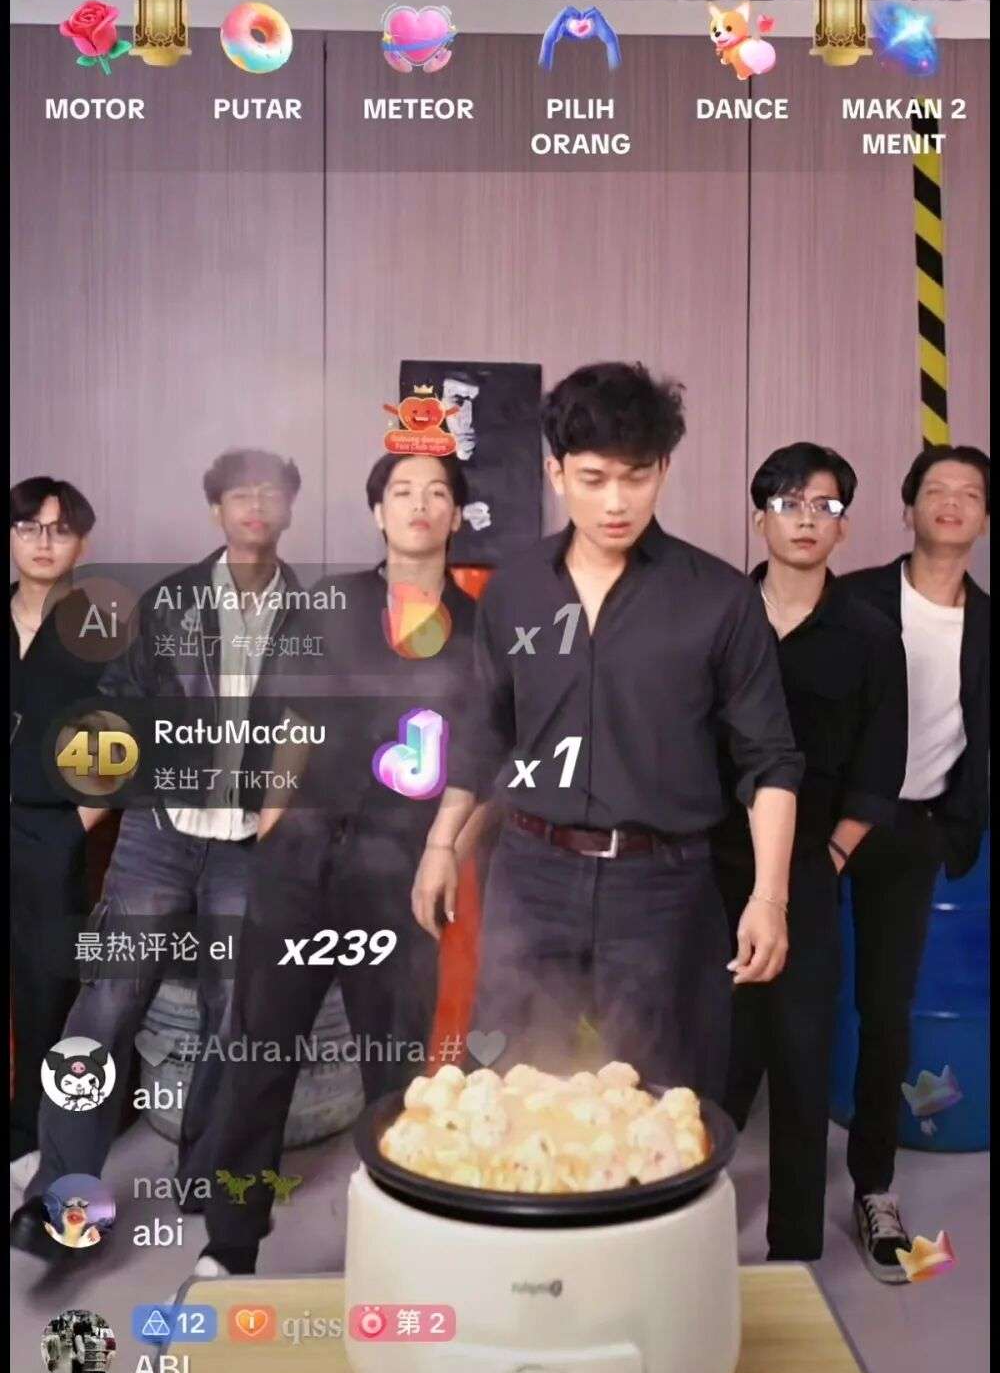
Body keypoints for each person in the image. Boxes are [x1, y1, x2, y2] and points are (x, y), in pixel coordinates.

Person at [413, 363, 804, 1098]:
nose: (617, 502)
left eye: (636, 477)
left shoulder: (718, 598)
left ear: (664, 470)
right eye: (593, 479)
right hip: (531, 872)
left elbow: (770, 759)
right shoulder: (516, 586)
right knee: (510, 1083)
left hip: (662, 886)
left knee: (662, 1095)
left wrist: (770, 896)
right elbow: (484, 730)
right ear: (556, 473)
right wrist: (441, 845)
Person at [191, 448, 480, 1279]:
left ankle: (398, 1237)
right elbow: (290, 718)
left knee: (395, 1064)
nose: (419, 504)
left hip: (402, 870)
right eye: (401, 491)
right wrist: (274, 824)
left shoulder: (481, 628)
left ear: (456, 515)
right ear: (377, 512)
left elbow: (488, 760)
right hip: (301, 859)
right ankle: (230, 1242)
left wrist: (447, 853)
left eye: (436, 492)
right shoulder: (330, 604)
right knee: (259, 1052)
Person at [11, 448, 302, 1264]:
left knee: (233, 1014)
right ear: (216, 510)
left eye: (269, 493)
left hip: (251, 845)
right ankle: (63, 1195)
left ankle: (206, 1176)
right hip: (159, 836)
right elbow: (117, 710)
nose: (254, 504)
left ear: (288, 511)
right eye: (238, 493)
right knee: (104, 1006)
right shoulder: (168, 602)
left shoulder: (314, 615)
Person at [712, 444, 907, 1261]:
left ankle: (793, 1251)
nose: (805, 519)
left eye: (823, 506)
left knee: (800, 1057)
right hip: (710, 865)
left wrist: (825, 860)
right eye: (787, 503)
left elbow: (880, 768)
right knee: (713, 1056)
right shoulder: (718, 616)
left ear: (843, 527)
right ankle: (683, 1226)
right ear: (758, 518)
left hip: (808, 867)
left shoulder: (870, 636)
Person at [843, 444, 990, 1281]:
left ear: (984, 518)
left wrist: (952, 829)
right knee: (771, 998)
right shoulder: (856, 597)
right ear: (908, 508)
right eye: (937, 488)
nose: (953, 501)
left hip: (913, 831)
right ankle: (710, 1176)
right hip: (831, 827)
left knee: (886, 1011)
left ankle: (873, 1188)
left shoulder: (989, 623)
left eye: (970, 493)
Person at [10, 477, 105, 1185]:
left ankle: (33, 1135)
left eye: (60, 529)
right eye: (28, 527)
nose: (43, 542)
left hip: (50, 826)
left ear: (83, 543)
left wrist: (77, 824)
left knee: (47, 983)